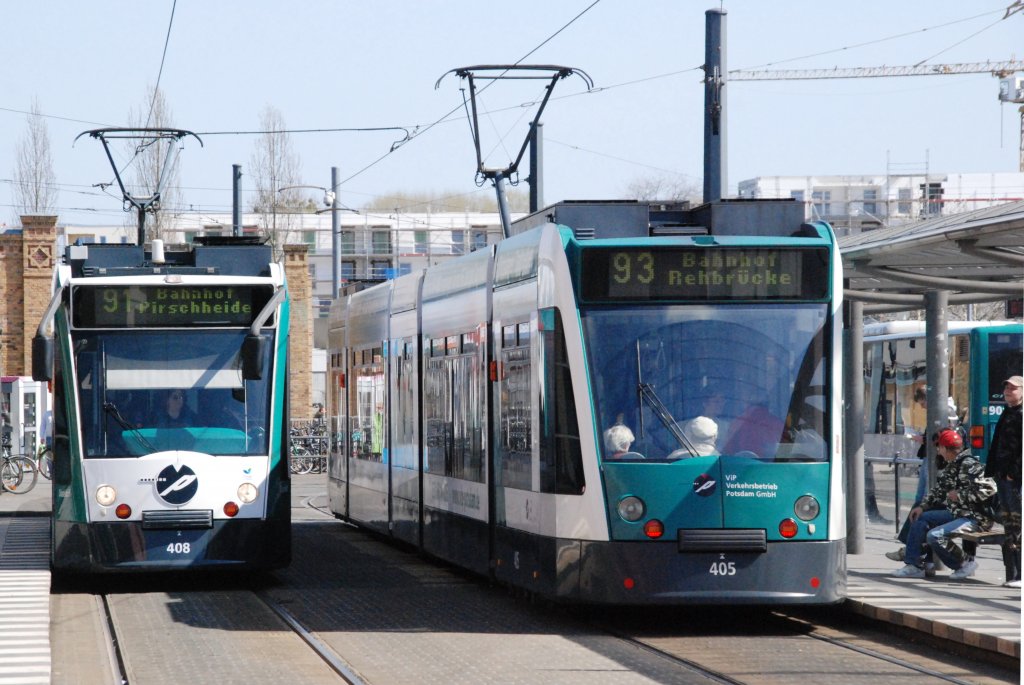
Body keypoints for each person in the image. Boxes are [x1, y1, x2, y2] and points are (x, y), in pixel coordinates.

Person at [892, 428, 997, 579]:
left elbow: (990, 488)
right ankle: (914, 565)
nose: (938, 452)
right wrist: (922, 507)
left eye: (939, 448)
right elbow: (939, 490)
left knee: (934, 536)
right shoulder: (953, 465)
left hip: (974, 518)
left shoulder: (969, 464)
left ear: (947, 449)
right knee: (920, 518)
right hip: (957, 513)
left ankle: (963, 563)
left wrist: (960, 495)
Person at [985, 375, 1022, 588]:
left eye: (1014, 389)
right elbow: (997, 443)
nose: (1008, 391)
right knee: (1009, 526)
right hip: (1002, 476)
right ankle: (1013, 574)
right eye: (1006, 388)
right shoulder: (1007, 412)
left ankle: (1019, 574)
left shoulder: (1021, 414)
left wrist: (1013, 473)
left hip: (1014, 479)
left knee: (1018, 524)